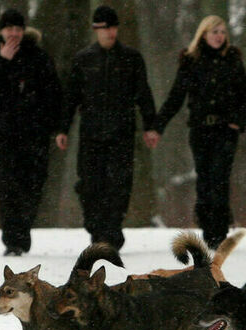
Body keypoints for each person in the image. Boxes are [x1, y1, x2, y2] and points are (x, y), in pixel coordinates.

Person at [56, 5, 156, 251]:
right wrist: (63, 129)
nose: (110, 32)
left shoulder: (132, 59)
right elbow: (70, 98)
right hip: (91, 134)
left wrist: (151, 126)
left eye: (113, 27)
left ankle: (110, 233)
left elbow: (144, 94)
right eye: (104, 28)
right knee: (89, 186)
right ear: (95, 30)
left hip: (121, 133)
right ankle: (97, 229)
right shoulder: (83, 60)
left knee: (119, 186)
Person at [147, 15, 246, 249]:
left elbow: (245, 97)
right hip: (200, 130)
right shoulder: (190, 60)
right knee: (205, 181)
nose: (219, 36)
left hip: (226, 130)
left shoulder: (233, 59)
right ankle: (208, 228)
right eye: (214, 31)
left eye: (222, 32)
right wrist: (157, 126)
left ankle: (219, 234)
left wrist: (237, 122)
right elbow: (175, 97)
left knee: (220, 178)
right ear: (203, 34)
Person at [0, 9, 62, 256]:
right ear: (1, 30)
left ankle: (23, 228)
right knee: (8, 185)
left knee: (33, 183)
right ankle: (14, 241)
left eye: (18, 29)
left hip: (35, 132)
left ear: (24, 31)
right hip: (2, 131)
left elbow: (53, 91)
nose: (13, 34)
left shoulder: (38, 56)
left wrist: (54, 126)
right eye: (9, 29)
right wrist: (2, 61)